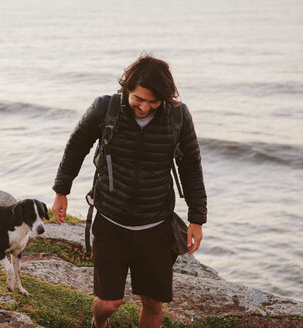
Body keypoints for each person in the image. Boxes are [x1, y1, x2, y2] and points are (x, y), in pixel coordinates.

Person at [52, 54, 207, 328]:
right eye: (138, 99)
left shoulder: (178, 117)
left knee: (153, 303)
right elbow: (76, 146)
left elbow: (191, 166)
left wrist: (197, 219)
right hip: (111, 220)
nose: (145, 107)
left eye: (153, 102)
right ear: (126, 89)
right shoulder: (105, 108)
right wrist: (61, 191)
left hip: (156, 224)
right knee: (109, 303)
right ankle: (98, 323)